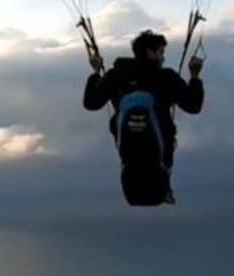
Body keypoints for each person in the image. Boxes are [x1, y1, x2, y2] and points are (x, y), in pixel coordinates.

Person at [83, 29, 204, 205]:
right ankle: (164, 187)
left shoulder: (116, 75)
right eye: (161, 52)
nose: (163, 58)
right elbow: (193, 106)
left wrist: (95, 73)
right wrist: (194, 76)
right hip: (157, 164)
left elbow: (91, 103)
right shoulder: (166, 78)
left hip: (131, 164)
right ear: (150, 52)